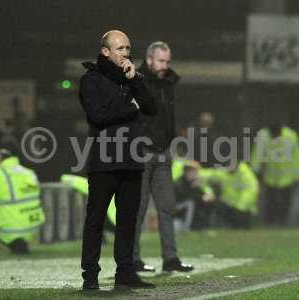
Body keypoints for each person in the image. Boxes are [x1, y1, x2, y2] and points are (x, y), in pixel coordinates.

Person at [78, 30, 157, 290]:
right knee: (96, 220)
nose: (125, 53)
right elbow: (98, 116)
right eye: (120, 48)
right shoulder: (90, 80)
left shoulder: (131, 78)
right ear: (105, 51)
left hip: (131, 159)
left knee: (128, 220)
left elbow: (153, 107)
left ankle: (125, 272)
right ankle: (90, 275)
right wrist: (131, 107)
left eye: (127, 48)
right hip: (104, 161)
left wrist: (135, 81)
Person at [134, 41, 194, 273]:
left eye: (168, 61)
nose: (165, 66)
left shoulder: (168, 83)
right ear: (149, 60)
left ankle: (170, 258)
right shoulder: (137, 81)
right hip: (140, 154)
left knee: (167, 207)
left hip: (163, 154)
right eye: (161, 61)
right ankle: (131, 260)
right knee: (137, 209)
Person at [251, 124, 299, 226]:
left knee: (285, 200)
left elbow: (297, 156)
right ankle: (269, 221)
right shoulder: (263, 135)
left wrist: (298, 174)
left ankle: (282, 221)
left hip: (287, 175)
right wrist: (255, 170)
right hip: (270, 174)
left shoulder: (290, 135)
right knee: (270, 200)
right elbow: (257, 154)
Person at [173, 160, 215, 231]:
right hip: (175, 210)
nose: (194, 174)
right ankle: (186, 229)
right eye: (192, 171)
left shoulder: (195, 183)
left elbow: (200, 196)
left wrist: (206, 197)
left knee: (209, 202)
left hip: (186, 212)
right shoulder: (179, 183)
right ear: (185, 172)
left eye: (195, 172)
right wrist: (193, 188)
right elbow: (184, 198)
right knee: (190, 203)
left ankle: (204, 226)